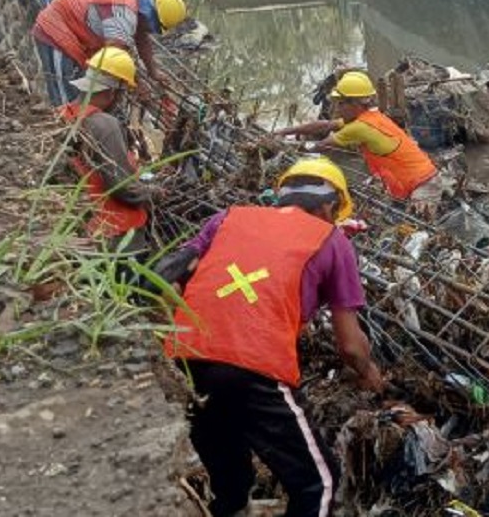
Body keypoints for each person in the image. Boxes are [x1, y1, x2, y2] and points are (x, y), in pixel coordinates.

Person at [159, 157, 385, 517]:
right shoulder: (332, 240)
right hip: (253, 363)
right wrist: (369, 372)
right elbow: (351, 346)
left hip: (186, 358)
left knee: (229, 478)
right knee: (319, 483)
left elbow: (169, 271)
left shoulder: (229, 217)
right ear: (330, 206)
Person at [278, 70, 442, 207]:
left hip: (423, 184)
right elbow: (326, 125)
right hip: (414, 180)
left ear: (354, 104)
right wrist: (286, 131)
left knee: (415, 232)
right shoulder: (370, 116)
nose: (337, 108)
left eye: (341, 104)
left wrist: (288, 148)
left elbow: (321, 146)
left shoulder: (360, 128)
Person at [32, 0, 186, 104]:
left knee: (76, 90)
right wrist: (137, 85)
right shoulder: (123, 17)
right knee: (64, 97)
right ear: (150, 18)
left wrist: (153, 72)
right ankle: (64, 135)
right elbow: (113, 59)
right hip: (55, 31)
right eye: (155, 28)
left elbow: (142, 38)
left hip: (76, 35)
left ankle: (76, 130)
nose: (151, 32)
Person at [59, 46, 153, 241]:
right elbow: (123, 188)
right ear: (112, 92)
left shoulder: (62, 113)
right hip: (114, 228)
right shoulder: (105, 125)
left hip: (85, 217)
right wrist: (152, 193)